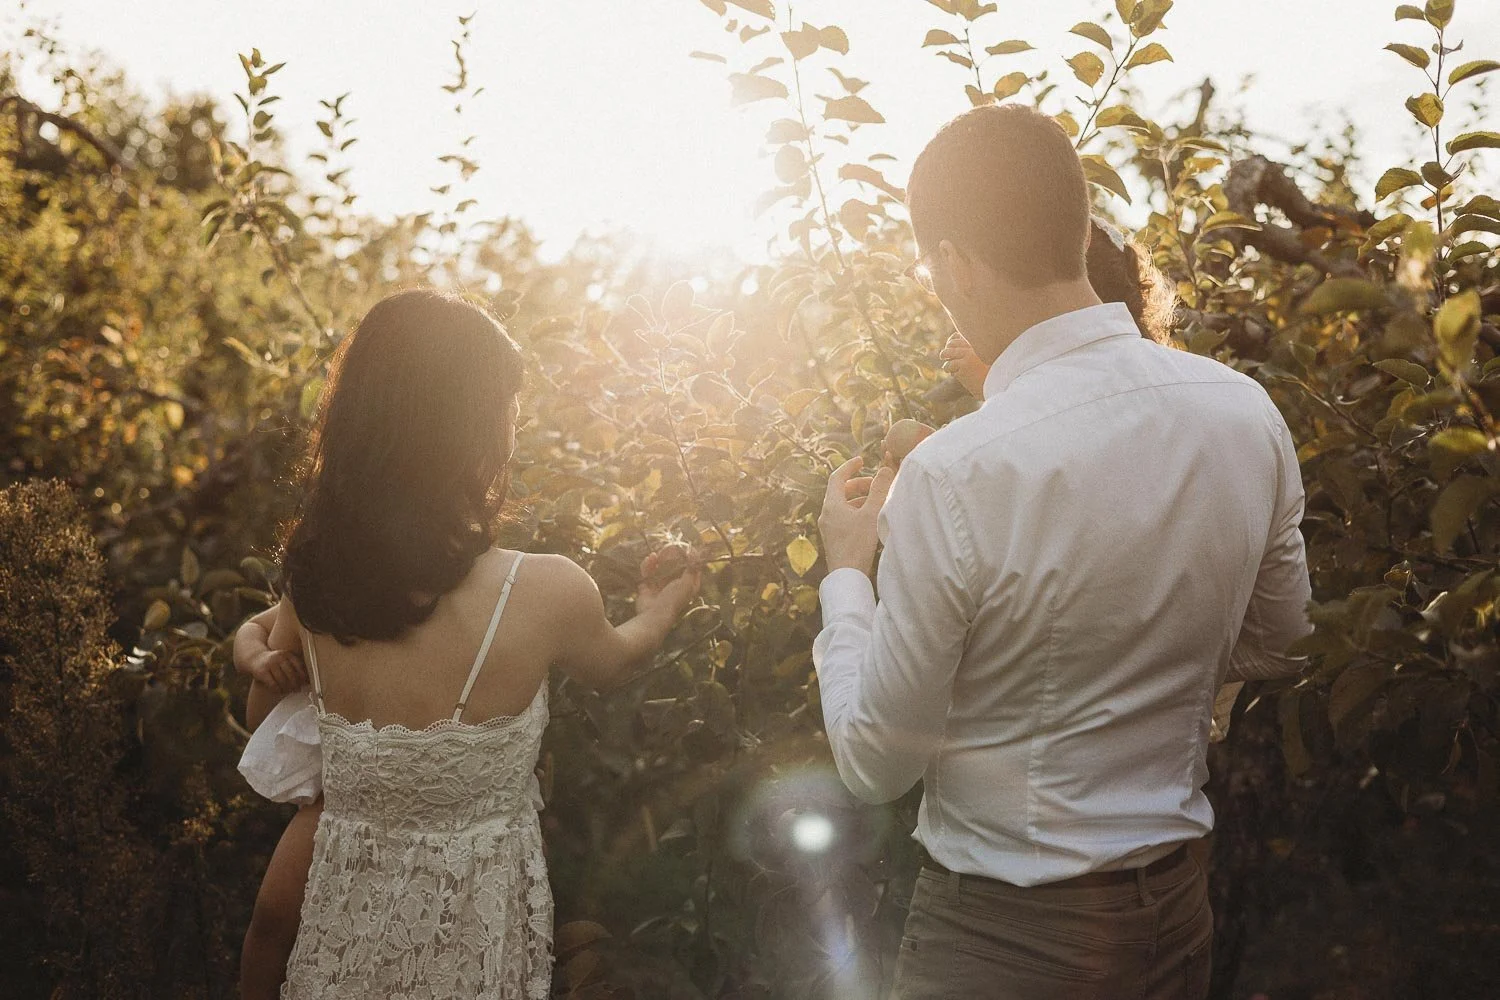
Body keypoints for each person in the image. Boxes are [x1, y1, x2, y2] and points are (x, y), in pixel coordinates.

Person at [814, 104, 1311, 999]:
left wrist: (848, 574)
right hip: (1175, 916)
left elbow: (875, 763)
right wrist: (1155, 662)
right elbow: (1281, 643)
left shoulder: (954, 472)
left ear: (955, 263)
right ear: (1079, 230)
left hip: (1008, 943)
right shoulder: (1244, 412)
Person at [233, 289, 700, 999]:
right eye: (508, 405)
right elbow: (617, 660)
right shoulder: (545, 590)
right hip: (471, 951)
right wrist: (661, 609)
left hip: (338, 945)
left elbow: (260, 713)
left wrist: (259, 653)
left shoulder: (316, 582)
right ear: (477, 428)